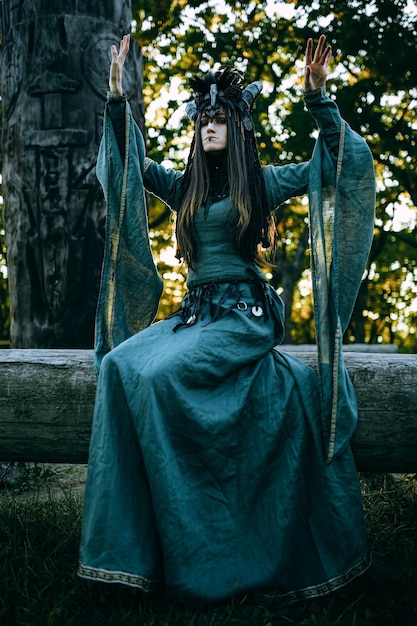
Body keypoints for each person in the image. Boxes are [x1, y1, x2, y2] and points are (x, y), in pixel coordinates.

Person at [78, 33, 376, 604]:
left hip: (242, 317)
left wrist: (320, 100)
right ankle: (132, 558)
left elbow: (338, 163)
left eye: (219, 116)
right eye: (202, 117)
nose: (208, 124)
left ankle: (205, 554)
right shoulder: (184, 186)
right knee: (119, 364)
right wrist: (119, 101)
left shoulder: (260, 185)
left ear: (238, 125)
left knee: (159, 376)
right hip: (194, 316)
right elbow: (124, 166)